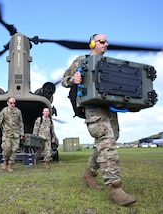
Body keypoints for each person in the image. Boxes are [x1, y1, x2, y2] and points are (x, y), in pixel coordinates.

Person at [61, 34, 137, 206]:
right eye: (102, 41)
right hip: (92, 107)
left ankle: (89, 174)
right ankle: (115, 187)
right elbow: (64, 81)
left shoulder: (109, 63)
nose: (106, 44)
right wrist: (73, 79)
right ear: (93, 43)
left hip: (110, 107)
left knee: (109, 139)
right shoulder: (81, 60)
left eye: (107, 42)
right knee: (106, 139)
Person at [0, 97, 24, 173]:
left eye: (14, 103)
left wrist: (22, 133)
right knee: (7, 149)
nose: (13, 104)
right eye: (11, 103)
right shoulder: (4, 111)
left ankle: (10, 165)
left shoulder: (18, 112)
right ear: (7, 103)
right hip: (7, 134)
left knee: (15, 150)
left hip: (16, 134)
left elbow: (21, 123)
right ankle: (5, 160)